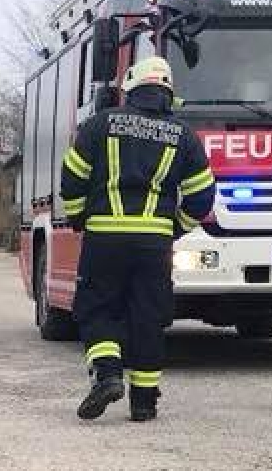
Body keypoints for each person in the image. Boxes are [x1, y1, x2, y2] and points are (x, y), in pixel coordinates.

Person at [58, 56, 216, 422]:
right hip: (154, 241)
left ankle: (108, 374)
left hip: (105, 238)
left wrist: (81, 217)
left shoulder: (100, 125)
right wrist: (176, 226)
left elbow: (73, 176)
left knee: (98, 307)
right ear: (168, 93)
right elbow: (203, 195)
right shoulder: (184, 135)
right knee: (148, 315)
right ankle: (144, 402)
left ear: (129, 89)